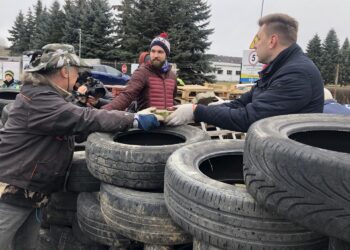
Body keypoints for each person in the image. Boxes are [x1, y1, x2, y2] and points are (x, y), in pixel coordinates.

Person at [0, 43, 160, 250]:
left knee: (25, 245)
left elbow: (72, 124)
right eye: (76, 71)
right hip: (12, 190)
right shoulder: (39, 99)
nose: (77, 77)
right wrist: (133, 119)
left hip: (30, 191)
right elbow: (82, 119)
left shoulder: (45, 97)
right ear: (65, 71)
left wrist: (84, 102)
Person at [165, 13, 324, 132]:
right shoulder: (276, 70)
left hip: (291, 166)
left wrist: (196, 112)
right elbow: (240, 104)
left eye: (258, 39)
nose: (254, 46)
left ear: (272, 41)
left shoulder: (296, 74)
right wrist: (210, 108)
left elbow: (250, 118)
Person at [101, 32, 177, 112]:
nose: (155, 55)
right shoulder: (142, 72)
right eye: (153, 51)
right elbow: (126, 96)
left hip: (168, 122)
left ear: (166, 55)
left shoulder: (172, 76)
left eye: (160, 52)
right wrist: (102, 113)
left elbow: (171, 99)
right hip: (147, 122)